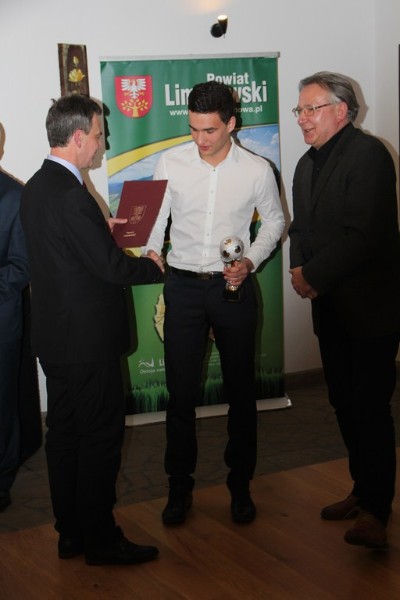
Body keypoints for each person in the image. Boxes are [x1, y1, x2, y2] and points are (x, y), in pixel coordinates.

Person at [20, 94, 164, 565]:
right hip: (88, 342)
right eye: (100, 136)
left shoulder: (36, 186)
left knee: (64, 435)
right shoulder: (70, 195)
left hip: (55, 339)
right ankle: (102, 539)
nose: (103, 144)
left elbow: (67, 254)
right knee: (100, 438)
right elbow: (111, 269)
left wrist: (102, 230)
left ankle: (72, 533)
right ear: (79, 137)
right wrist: (153, 266)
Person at [144, 81, 285, 526]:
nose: (200, 139)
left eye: (209, 130)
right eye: (193, 129)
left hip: (233, 287)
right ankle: (178, 487)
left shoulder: (257, 170)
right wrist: (151, 249)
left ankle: (240, 486)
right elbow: (155, 220)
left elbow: (275, 222)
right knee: (180, 396)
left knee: (241, 393)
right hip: (183, 288)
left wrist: (250, 260)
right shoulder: (171, 162)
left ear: (231, 124)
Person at [289, 71, 400, 549]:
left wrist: (311, 275)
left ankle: (377, 509)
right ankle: (362, 487)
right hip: (329, 308)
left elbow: (363, 234)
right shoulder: (305, 164)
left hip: (371, 310)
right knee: (342, 402)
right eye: (299, 110)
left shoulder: (369, 155)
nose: (302, 118)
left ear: (341, 110)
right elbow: (300, 229)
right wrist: (298, 268)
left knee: (370, 407)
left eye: (310, 109)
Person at [0, 165, 30, 512]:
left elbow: (22, 265)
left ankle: (2, 478)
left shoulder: (15, 196)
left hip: (2, 320)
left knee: (2, 404)